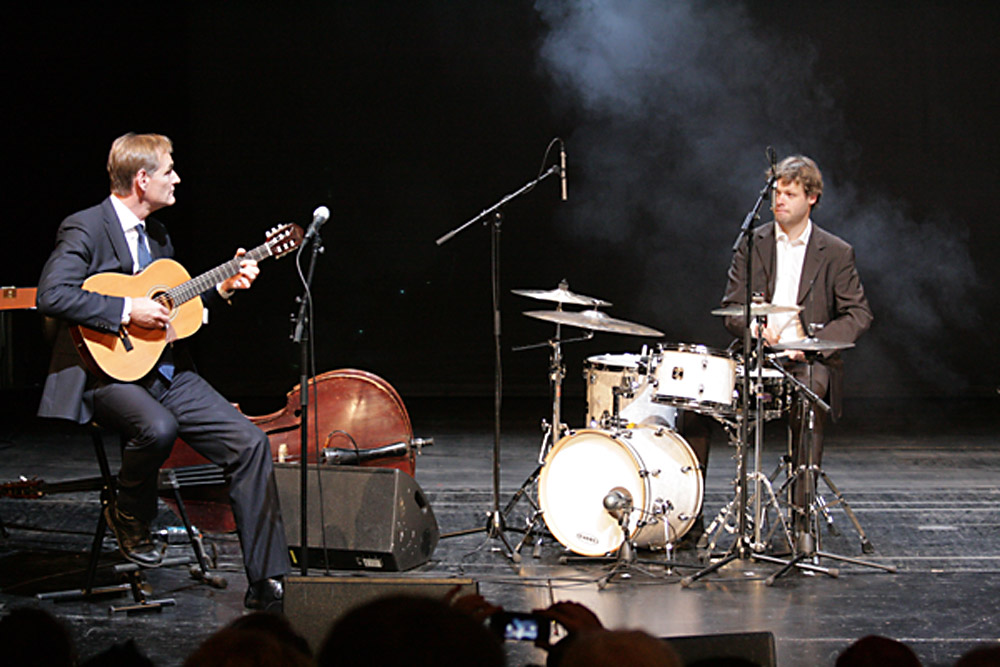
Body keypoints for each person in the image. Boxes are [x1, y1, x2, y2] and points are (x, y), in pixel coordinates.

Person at [36, 132, 289, 610]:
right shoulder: (85, 227)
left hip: (164, 370)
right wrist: (127, 309)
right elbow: (53, 295)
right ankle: (129, 513)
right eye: (169, 170)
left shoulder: (157, 234)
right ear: (142, 178)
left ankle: (267, 579)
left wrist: (226, 286)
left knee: (250, 443)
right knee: (157, 427)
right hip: (104, 375)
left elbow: (175, 305)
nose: (177, 179)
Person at [720, 154, 873, 535]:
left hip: (807, 359)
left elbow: (858, 315)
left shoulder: (836, 251)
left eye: (789, 193)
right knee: (692, 401)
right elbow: (730, 309)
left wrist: (813, 344)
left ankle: (801, 520)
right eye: (776, 193)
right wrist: (752, 328)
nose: (779, 201)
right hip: (758, 356)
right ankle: (686, 523)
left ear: (812, 198)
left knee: (807, 398)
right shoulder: (752, 243)